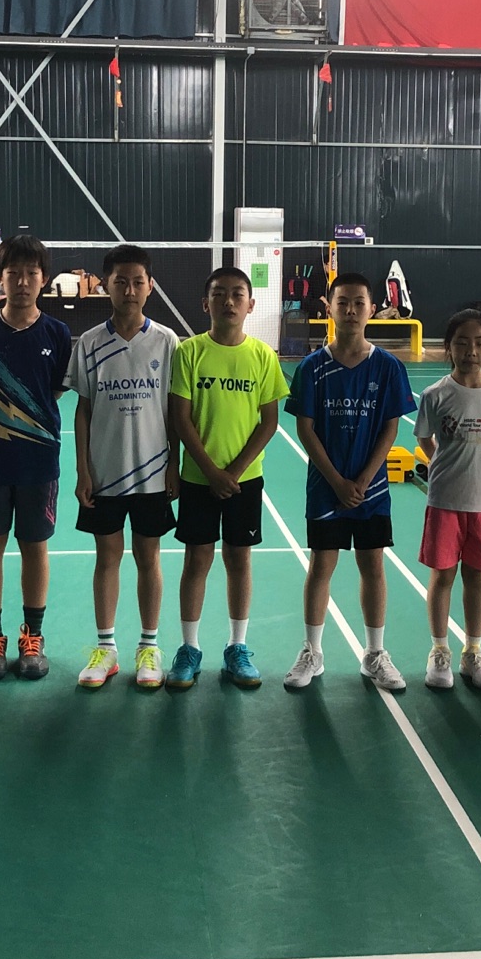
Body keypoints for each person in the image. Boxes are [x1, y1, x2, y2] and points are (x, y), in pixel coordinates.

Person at [283, 272, 416, 692]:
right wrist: (338, 481)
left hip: (371, 489)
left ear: (372, 308)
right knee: (321, 565)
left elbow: (391, 427)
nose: (352, 310)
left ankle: (375, 653)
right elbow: (305, 429)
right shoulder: (312, 367)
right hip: (326, 487)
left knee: (372, 565)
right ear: (330, 307)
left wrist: (363, 478)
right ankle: (312, 651)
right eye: (343, 302)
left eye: (360, 302)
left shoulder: (388, 367)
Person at [165, 267, 289, 690]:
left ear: (251, 305)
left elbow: (269, 421)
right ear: (206, 303)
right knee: (196, 560)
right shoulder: (189, 352)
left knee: (239, 560)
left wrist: (232, 473)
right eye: (219, 294)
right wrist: (210, 471)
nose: (229, 301)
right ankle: (189, 648)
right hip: (199, 479)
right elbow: (181, 418)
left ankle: (238, 646)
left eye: (238, 294)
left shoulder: (263, 356)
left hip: (244, 480)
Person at [68, 244, 180, 690]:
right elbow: (82, 410)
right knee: (107, 557)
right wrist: (83, 470)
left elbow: (176, 410)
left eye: (137, 282)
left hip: (153, 471)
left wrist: (174, 464)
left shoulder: (168, 342)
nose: (129, 290)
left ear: (150, 287)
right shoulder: (89, 343)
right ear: (105, 286)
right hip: (105, 472)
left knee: (149, 558)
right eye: (120, 282)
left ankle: (149, 646)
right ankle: (107, 648)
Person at [0, 235, 73, 681]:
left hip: (38, 459)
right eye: (14, 273)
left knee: (34, 546)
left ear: (44, 279)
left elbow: (55, 391)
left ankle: (33, 636)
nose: (23, 282)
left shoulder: (57, 334)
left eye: (32, 274)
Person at [415, 309, 481, 692]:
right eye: (462, 342)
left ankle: (473, 651)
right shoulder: (435, 394)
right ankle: (439, 650)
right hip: (445, 498)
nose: (471, 350)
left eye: (480, 342)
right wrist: (442, 462)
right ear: (449, 347)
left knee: (476, 578)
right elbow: (424, 439)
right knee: (442, 576)